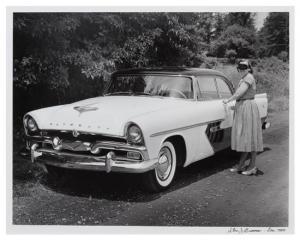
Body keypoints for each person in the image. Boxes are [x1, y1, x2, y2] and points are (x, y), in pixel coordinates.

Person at [223, 60, 264, 175]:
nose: (241, 69)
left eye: (244, 67)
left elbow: (239, 94)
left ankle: (252, 166)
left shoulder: (249, 77)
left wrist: (228, 100)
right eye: (239, 67)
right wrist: (236, 106)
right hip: (243, 106)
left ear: (248, 68)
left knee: (250, 136)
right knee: (246, 136)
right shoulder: (244, 78)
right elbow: (240, 96)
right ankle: (241, 165)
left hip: (247, 107)